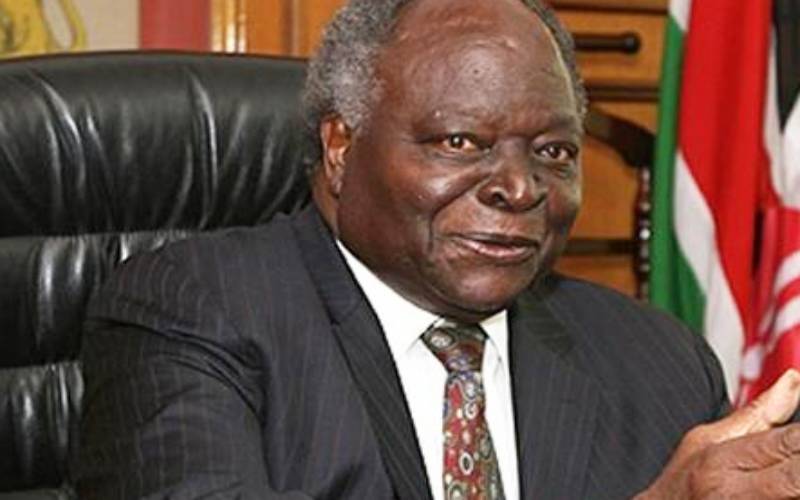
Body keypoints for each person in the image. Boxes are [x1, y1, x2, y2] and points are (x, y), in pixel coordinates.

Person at [76, 0, 800, 498]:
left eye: (553, 151)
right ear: (340, 147)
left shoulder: (659, 360)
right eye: (461, 142)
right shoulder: (191, 315)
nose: (520, 187)